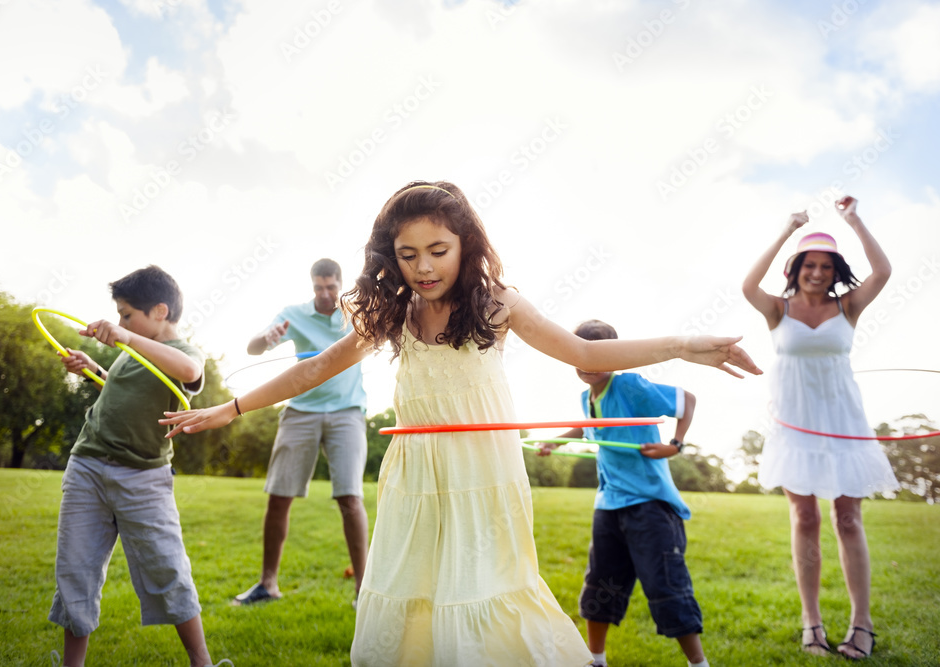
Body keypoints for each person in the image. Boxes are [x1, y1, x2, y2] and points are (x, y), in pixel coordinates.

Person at [161, 181, 761, 666]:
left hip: (484, 470)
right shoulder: (391, 313)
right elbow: (313, 368)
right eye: (407, 254)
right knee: (417, 589)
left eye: (437, 251)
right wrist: (229, 407)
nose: (423, 267)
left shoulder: (499, 302)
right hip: (417, 473)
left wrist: (683, 344)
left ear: (465, 243)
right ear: (388, 257)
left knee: (483, 587)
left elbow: (587, 355)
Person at [741, 196, 898, 659]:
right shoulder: (777, 310)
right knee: (804, 518)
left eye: (826, 266)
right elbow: (747, 284)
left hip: (843, 425)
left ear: (835, 272)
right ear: (796, 269)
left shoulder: (848, 307)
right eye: (808, 264)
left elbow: (883, 272)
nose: (817, 272)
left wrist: (854, 219)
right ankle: (812, 623)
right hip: (795, 429)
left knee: (848, 518)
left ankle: (861, 625)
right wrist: (788, 228)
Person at [49, 265, 227, 667]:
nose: (120, 323)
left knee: (167, 568)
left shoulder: (183, 352)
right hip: (88, 465)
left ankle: (202, 662)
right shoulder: (132, 353)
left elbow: (188, 373)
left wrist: (128, 337)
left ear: (160, 312)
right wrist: (93, 370)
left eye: (126, 314)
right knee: (75, 569)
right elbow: (124, 387)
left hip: (143, 478)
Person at [538, 319, 709, 667]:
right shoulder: (587, 396)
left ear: (616, 357)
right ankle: (597, 660)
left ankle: (698, 664)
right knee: (600, 584)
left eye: (599, 357)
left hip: (650, 505)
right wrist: (554, 440)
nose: (587, 365)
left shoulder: (629, 386)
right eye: (580, 356)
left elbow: (687, 400)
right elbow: (589, 427)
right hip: (609, 505)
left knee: (667, 586)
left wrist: (674, 446)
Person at [235, 258, 368, 606]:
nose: (325, 294)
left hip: (347, 411)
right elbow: (253, 349)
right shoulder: (294, 313)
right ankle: (267, 584)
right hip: (301, 411)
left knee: (350, 498)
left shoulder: (355, 312)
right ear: (312, 286)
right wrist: (267, 338)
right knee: (279, 496)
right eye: (319, 288)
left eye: (331, 287)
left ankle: (363, 591)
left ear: (341, 284)